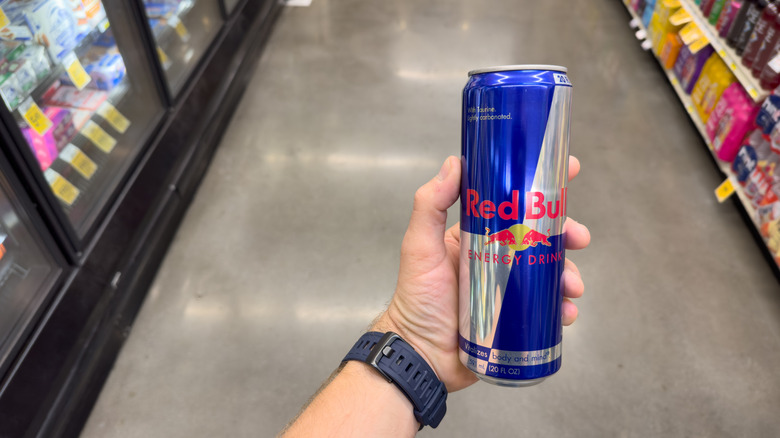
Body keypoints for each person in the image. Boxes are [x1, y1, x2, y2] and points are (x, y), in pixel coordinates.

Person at [280, 155, 590, 437]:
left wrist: (413, 350)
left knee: (545, 230)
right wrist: (415, 343)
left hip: (508, 333)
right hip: (470, 337)